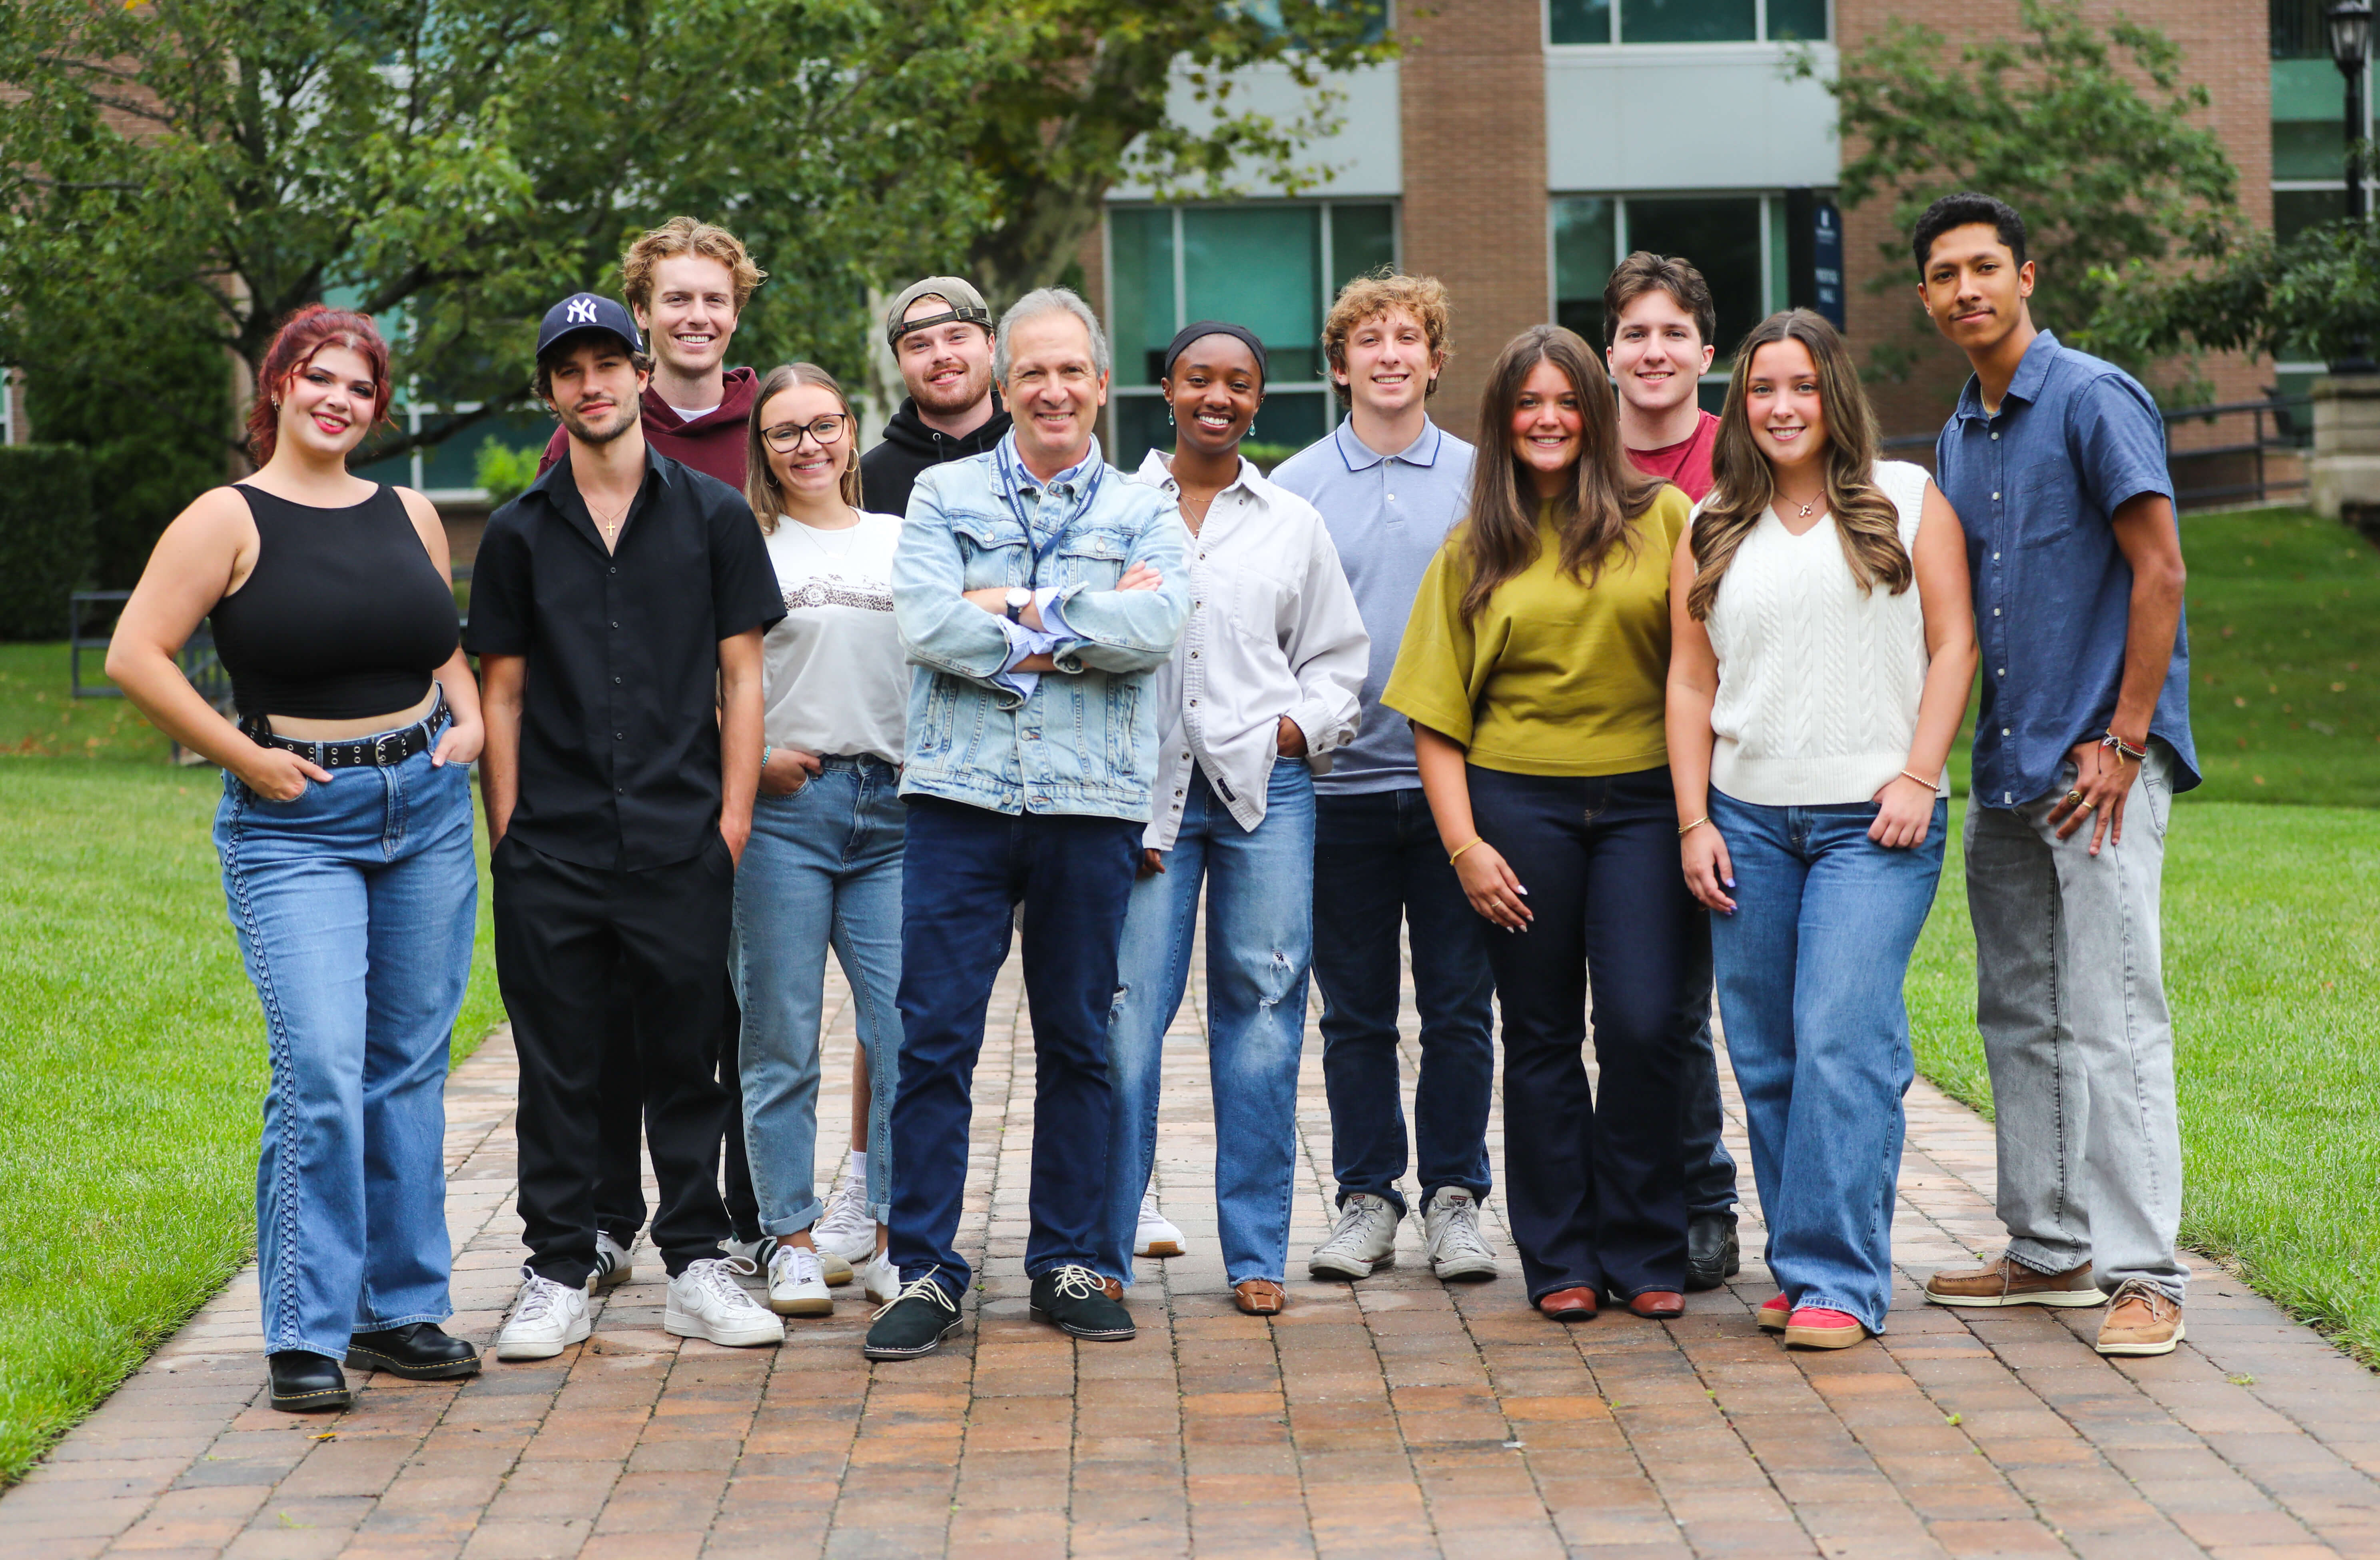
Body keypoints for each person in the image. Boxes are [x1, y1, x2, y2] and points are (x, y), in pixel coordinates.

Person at [107, 306, 484, 1411]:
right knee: (321, 1067)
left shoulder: (409, 510)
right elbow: (138, 651)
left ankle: (400, 1309)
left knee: (408, 1064)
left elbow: (439, 640)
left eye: (360, 387)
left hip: (422, 803)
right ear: (276, 387)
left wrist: (468, 722)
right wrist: (246, 757)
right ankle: (306, 1328)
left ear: (377, 406)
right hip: (294, 821)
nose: (338, 400)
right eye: (318, 378)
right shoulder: (226, 517)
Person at [862, 287, 1190, 1361]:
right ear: (1006, 389)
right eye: (1033, 373)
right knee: (934, 1039)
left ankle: (1071, 1260)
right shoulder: (941, 493)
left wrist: (1007, 609)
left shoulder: (1144, 508)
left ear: (1101, 386)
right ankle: (924, 1267)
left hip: (1089, 808)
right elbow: (923, 622)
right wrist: (1071, 626)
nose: (1053, 390)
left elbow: (1158, 622)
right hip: (958, 803)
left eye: (1072, 372)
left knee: (1079, 1040)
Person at [472, 292, 788, 1359]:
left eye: (611, 361)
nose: (593, 382)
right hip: (551, 845)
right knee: (558, 1063)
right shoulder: (518, 532)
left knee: (686, 1057)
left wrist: (732, 818)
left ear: (639, 373)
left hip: (680, 835)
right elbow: (501, 693)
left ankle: (698, 1263)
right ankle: (558, 1266)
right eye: (572, 368)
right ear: (551, 390)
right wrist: (509, 832)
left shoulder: (713, 515)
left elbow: (741, 678)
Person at [1910, 194, 2197, 1358]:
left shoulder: (2090, 397)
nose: (1966, 289)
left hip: (2098, 768)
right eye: (1944, 275)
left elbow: (2160, 568)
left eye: (1985, 267)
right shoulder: (1956, 434)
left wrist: (2126, 738)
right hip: (2008, 763)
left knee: (2112, 1014)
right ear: (1927, 297)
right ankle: (2048, 1245)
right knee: (2016, 1009)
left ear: (2026, 275)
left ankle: (2145, 1274)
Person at [1665, 309, 1978, 1350]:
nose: (1782, 406)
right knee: (1767, 1055)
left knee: (1840, 1036)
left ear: (1832, 394)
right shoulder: (1707, 523)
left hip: (1874, 823)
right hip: (1747, 818)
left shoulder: (1907, 498)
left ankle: (1836, 1280)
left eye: (1800, 386)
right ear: (1739, 405)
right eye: (1762, 389)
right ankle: (1804, 1259)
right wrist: (1695, 818)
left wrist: (1918, 775)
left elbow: (1953, 644)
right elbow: (1689, 678)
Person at [1384, 324, 1704, 1322]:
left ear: (1595, 411)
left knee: (1649, 1026)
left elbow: (1698, 674)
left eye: (1566, 400)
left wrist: (1696, 813)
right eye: (1528, 403)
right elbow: (1435, 720)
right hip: (1516, 806)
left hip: (1649, 803)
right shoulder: (1471, 547)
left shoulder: (1665, 519)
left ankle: (1648, 1243)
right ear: (1503, 419)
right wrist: (1465, 845)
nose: (1549, 418)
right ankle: (1560, 1256)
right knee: (1539, 1035)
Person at [1105, 322, 1369, 1316]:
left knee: (1261, 1021)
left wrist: (1298, 730)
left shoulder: (1291, 521)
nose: (1218, 397)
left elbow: (1338, 657)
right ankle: (1103, 1244)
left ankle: (1255, 1249)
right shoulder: (1116, 511)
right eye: (1198, 379)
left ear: (1260, 400)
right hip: (1144, 798)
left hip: (1267, 795)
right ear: (1164, 388)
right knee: (1126, 1019)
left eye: (1240, 384)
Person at [536, 218, 777, 1289]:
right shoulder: (587, 430)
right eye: (676, 299)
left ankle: (744, 1215)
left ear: (736, 309)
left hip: (767, 769)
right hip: (630, 786)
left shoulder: (774, 423)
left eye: (714, 299)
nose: (697, 316)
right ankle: (604, 1215)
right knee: (626, 1009)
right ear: (642, 318)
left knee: (740, 1009)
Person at [1271, 273, 1501, 1287]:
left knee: (1459, 1007)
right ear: (1339, 365)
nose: (1389, 353)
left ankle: (1456, 1197)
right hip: (1337, 795)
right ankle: (1367, 1196)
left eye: (1408, 336)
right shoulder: (1292, 489)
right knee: (1353, 1010)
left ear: (1436, 360)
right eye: (1369, 338)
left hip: (1464, 794)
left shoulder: (1487, 478)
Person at [732, 363, 908, 1317]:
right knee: (780, 1036)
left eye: (824, 425)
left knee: (903, 1031)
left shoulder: (902, 539)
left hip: (894, 814)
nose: (808, 445)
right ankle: (791, 1239)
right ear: (763, 449)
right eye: (785, 431)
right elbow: (706, 678)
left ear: (851, 431)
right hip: (787, 815)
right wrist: (750, 761)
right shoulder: (746, 542)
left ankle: (889, 1233)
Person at [1603, 250, 1741, 1291]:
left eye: (1671, 334)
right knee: (1612, 1013)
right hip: (1591, 767)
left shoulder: (1742, 457)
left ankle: (1703, 1197)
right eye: (1634, 334)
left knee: (1675, 1011)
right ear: (1611, 352)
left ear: (1706, 347)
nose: (1654, 352)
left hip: (1720, 771)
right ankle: (1629, 1196)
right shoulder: (1568, 453)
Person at [859, 277, 1012, 519]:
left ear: (991, 347)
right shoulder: (866, 483)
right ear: (900, 364)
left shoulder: (1037, 453)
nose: (941, 355)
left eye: (957, 337)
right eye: (919, 345)